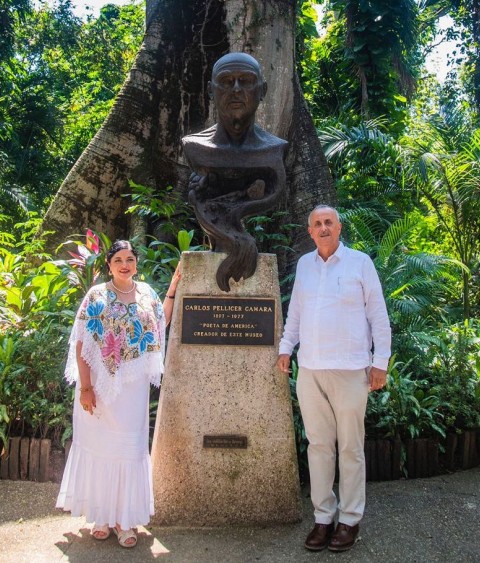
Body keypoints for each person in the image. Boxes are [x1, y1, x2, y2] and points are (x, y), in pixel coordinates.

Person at [277, 205, 391, 553]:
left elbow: (378, 316)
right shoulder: (304, 266)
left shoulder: (360, 263)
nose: (323, 228)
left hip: (352, 371)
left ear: (339, 228)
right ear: (310, 232)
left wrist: (380, 363)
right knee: (319, 446)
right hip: (310, 371)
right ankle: (323, 517)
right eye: (317, 224)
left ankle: (350, 520)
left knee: (351, 449)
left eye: (329, 222)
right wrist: (286, 347)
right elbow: (295, 311)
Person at [56, 240, 181, 548]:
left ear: (136, 263)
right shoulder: (96, 296)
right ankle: (101, 515)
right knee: (100, 448)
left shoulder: (147, 294)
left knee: (129, 449)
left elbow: (159, 324)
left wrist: (174, 287)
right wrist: (85, 388)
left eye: (130, 259)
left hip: (132, 387)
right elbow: (82, 344)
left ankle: (126, 521)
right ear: (109, 265)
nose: (125, 264)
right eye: (119, 260)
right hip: (98, 386)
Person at [182, 52, 287, 291]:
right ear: (211, 90)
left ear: (263, 90)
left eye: (246, 81)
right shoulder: (195, 147)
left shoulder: (275, 150)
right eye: (227, 81)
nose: (236, 89)